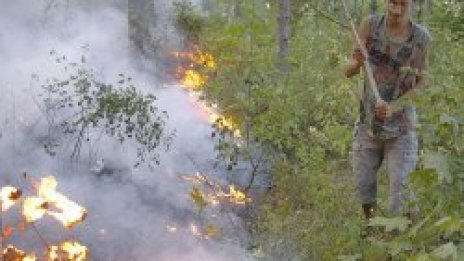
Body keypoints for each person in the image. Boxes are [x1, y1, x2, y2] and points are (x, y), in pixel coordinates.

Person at [343, 0, 431, 221]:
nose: (397, 10)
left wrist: (394, 107)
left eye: (403, 5)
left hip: (401, 129)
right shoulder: (370, 25)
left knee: (399, 197)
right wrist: (357, 62)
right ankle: (371, 229)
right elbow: (348, 70)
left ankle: (404, 239)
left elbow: (423, 83)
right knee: (363, 188)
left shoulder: (421, 38)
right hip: (368, 124)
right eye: (393, 3)